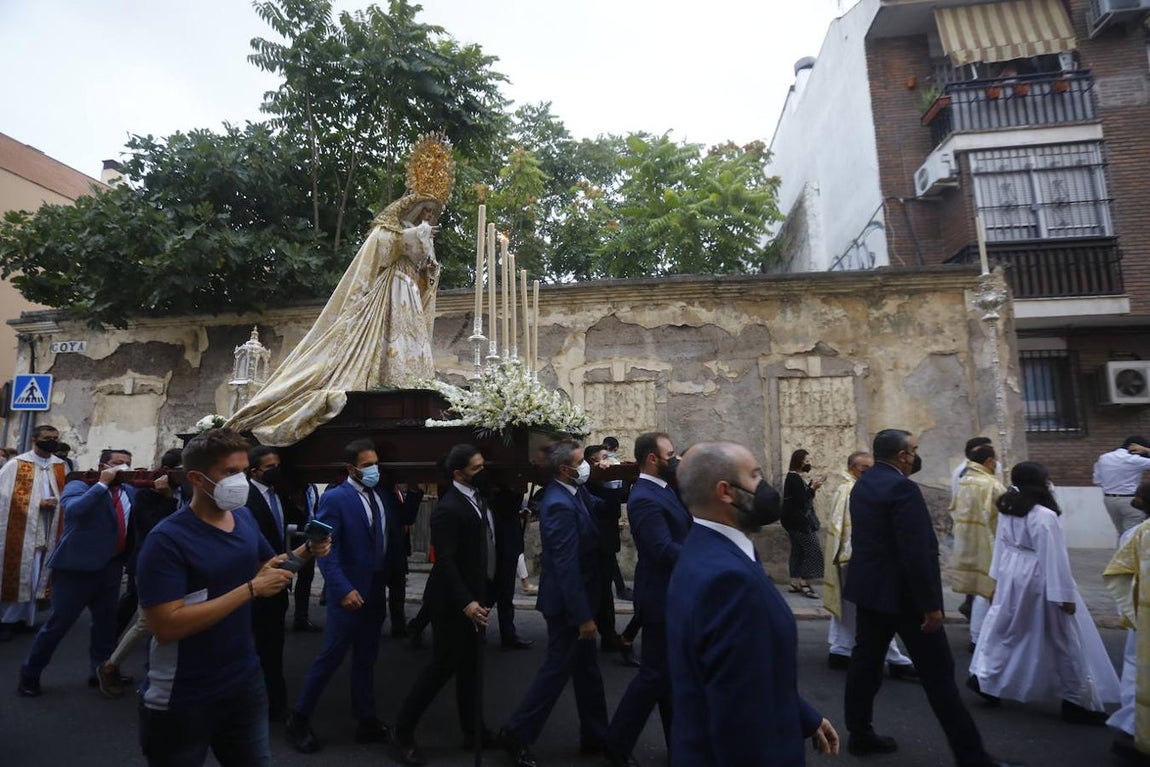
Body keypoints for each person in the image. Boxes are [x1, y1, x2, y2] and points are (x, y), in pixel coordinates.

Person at [227, 135, 452, 446]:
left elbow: (425, 275)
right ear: (412, 209)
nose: (429, 217)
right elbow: (381, 254)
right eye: (425, 211)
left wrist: (429, 266)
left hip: (409, 299)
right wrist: (413, 237)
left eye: (432, 214)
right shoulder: (389, 230)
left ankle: (409, 393)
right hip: (388, 296)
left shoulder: (422, 236)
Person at [134, 428, 329, 767]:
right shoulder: (167, 540)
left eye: (242, 471)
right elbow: (165, 626)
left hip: (243, 680)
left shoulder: (242, 516)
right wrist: (250, 590)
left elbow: (268, 568)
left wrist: (308, 550)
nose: (240, 481)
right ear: (196, 478)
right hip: (184, 693)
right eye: (230, 472)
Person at [843, 428, 1019, 766]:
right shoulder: (903, 489)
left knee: (865, 665)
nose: (915, 455)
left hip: (870, 593)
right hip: (908, 599)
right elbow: (918, 553)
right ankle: (972, 756)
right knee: (939, 677)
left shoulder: (864, 484)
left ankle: (860, 735)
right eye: (913, 450)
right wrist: (931, 607)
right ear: (902, 456)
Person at [666, 440, 837, 765]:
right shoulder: (730, 581)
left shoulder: (712, 548)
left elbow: (745, 672)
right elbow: (740, 720)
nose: (767, 487)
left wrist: (805, 717)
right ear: (726, 492)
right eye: (756, 476)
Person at [970, 462, 1120, 723]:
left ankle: (986, 677)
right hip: (1039, 578)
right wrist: (1063, 595)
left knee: (1007, 629)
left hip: (1013, 575)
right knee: (1063, 637)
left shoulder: (1009, 508)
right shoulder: (1043, 515)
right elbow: (1054, 557)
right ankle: (1076, 700)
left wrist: (997, 579)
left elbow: (1002, 546)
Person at [286, 438, 407, 753]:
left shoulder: (379, 495)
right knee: (330, 658)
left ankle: (366, 721)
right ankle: (298, 719)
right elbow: (323, 548)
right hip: (349, 593)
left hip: (375, 591)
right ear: (351, 468)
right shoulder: (336, 498)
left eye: (375, 463)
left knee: (366, 659)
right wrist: (341, 588)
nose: (373, 469)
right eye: (367, 465)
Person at [499, 440, 609, 767]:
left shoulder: (575, 492)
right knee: (556, 670)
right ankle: (517, 733)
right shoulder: (558, 503)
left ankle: (596, 734)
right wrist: (583, 617)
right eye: (582, 462)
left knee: (588, 672)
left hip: (579, 600)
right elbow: (565, 564)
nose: (587, 466)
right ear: (564, 469)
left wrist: (611, 473)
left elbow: (601, 506)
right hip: (567, 605)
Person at [390, 445, 500, 765]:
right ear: (458, 474)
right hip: (453, 602)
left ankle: (472, 730)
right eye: (477, 468)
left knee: (471, 668)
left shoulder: (476, 498)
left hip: (474, 597)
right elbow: (447, 561)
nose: (483, 471)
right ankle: (402, 730)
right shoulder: (448, 508)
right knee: (442, 668)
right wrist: (466, 602)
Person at [17, 449, 136, 698]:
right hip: (76, 568)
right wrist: (102, 486)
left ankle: (101, 671)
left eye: (127, 464)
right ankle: (30, 673)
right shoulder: (80, 486)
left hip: (111, 567)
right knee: (59, 624)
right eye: (117, 463)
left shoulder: (129, 492)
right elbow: (74, 511)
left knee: (105, 626)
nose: (122, 468)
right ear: (103, 465)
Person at [605, 432, 690, 766]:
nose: (676, 459)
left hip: (672, 595)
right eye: (671, 454)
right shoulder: (643, 497)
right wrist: (706, 556)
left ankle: (679, 748)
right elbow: (662, 550)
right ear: (653, 459)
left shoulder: (665, 488)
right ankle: (615, 748)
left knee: (666, 680)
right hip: (660, 598)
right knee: (654, 678)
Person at [97, 447, 186, 697]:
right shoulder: (147, 495)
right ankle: (111, 666)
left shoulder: (187, 491)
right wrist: (167, 498)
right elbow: (156, 530)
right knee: (147, 622)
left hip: (177, 564)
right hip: (152, 562)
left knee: (161, 622)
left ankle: (156, 674)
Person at [823, 451, 915, 679]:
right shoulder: (851, 489)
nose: (869, 473)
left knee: (848, 608)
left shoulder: (849, 487)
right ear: (853, 468)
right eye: (864, 469)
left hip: (851, 558)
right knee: (873, 611)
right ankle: (895, 659)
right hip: (855, 559)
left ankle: (840, 650)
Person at [246, 446, 304, 722]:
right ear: (254, 470)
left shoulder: (279, 493)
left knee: (272, 646)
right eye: (270, 467)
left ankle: (274, 703)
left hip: (278, 580)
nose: (276, 471)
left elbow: (293, 523)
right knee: (255, 647)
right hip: (252, 581)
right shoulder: (245, 497)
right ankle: (260, 704)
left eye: (278, 465)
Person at [0, 424, 66, 641]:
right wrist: (37, 503)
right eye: (47, 438)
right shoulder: (16, 465)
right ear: (34, 440)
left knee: (37, 573)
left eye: (55, 438)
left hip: (48, 527)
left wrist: (55, 503)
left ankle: (27, 619)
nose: (52, 442)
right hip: (21, 530)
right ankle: (7, 621)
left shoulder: (60, 465)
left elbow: (66, 494)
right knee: (20, 573)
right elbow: (4, 498)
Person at [1104, 481, 1150, 762]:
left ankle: (1133, 729)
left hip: (1144, 620)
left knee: (1137, 673)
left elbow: (1118, 574)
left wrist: (1132, 614)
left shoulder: (1137, 533)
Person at [950, 442, 1006, 651]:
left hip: (968, 540)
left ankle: (978, 634)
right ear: (990, 461)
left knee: (980, 589)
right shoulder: (991, 484)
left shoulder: (966, 480)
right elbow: (1003, 515)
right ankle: (981, 637)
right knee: (987, 589)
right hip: (989, 541)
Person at [583, 444, 627, 654]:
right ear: (593, 461)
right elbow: (605, 504)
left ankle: (608, 634)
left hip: (607, 543)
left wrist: (620, 475)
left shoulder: (610, 481)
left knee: (605, 592)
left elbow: (623, 495)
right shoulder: (589, 484)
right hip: (594, 544)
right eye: (605, 456)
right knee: (596, 591)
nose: (610, 458)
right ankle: (592, 632)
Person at [781, 448, 824, 599]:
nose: (808, 463)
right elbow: (801, 500)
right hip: (799, 523)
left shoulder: (794, 478)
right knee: (813, 550)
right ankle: (805, 583)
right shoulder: (794, 478)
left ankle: (794, 582)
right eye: (806, 461)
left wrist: (810, 487)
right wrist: (813, 489)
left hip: (792, 521)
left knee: (798, 551)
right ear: (799, 462)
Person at [1094, 437, 1150, 538]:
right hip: (1130, 500)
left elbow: (1097, 481)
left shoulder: (1104, 457)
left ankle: (1121, 552)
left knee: (1122, 534)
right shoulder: (1134, 459)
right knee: (1132, 534)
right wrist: (1147, 450)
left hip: (1109, 499)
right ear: (1136, 448)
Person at [293, 482, 323, 631]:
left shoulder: (313, 489)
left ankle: (301, 617)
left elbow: (314, 511)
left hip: (309, 539)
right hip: (294, 538)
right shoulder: (295, 490)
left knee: (305, 579)